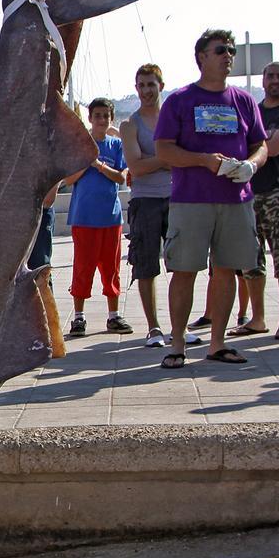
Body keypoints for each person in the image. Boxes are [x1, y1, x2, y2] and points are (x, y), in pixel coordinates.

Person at [154, 29, 267, 368]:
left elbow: (260, 145)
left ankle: (218, 343)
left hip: (236, 200)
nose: (228, 55)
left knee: (226, 271)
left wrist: (251, 165)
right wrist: (204, 160)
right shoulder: (180, 100)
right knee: (184, 270)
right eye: (220, 50)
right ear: (201, 57)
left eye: (230, 50)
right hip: (191, 200)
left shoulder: (244, 100)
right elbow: (164, 150)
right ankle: (177, 343)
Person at [229, 62, 279, 341]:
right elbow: (240, 145)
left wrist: (257, 143)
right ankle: (258, 318)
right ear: (263, 81)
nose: (274, 80)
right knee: (251, 260)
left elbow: (271, 148)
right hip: (249, 195)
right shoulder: (253, 112)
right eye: (270, 76)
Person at [64, 98, 131, 337]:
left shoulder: (116, 145)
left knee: (110, 269)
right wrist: (86, 162)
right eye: (97, 115)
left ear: (111, 119)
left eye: (106, 115)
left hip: (110, 219)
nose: (102, 120)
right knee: (83, 268)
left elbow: (121, 177)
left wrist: (99, 165)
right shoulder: (80, 145)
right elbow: (68, 179)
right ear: (90, 118)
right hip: (84, 218)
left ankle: (113, 316)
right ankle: (79, 317)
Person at [120, 64, 175, 347]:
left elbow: (185, 155)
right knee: (145, 265)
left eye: (151, 84)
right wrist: (168, 158)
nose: (146, 91)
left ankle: (178, 326)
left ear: (161, 86)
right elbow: (136, 167)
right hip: (144, 200)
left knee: (181, 264)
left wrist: (154, 160)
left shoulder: (174, 119)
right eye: (141, 85)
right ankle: (154, 327)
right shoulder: (130, 125)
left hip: (176, 198)